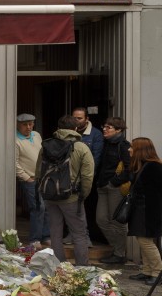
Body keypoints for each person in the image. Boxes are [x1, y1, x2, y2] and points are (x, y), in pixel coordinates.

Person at [35, 115, 95, 266]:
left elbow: (38, 172)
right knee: (79, 233)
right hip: (72, 197)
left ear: (58, 128)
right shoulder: (81, 147)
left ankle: (59, 266)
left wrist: (43, 190)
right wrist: (83, 195)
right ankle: (82, 267)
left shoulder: (46, 146)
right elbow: (88, 176)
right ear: (75, 129)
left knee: (55, 232)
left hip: (50, 196)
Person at [126, 137, 162, 285]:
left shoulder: (154, 167)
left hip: (149, 211)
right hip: (142, 210)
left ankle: (158, 272)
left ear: (140, 150)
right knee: (143, 240)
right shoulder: (143, 166)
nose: (129, 149)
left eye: (132, 147)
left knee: (145, 241)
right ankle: (147, 271)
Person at [96, 117, 132, 264]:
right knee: (101, 220)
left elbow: (129, 169)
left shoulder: (124, 146)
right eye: (104, 126)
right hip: (102, 187)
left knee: (117, 222)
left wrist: (113, 183)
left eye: (109, 127)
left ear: (119, 130)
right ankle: (118, 248)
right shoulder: (105, 143)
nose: (105, 129)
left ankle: (119, 254)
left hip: (115, 188)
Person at [67, 107, 104, 247]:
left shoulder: (95, 134)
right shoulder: (70, 132)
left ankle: (85, 237)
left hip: (85, 178)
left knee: (84, 209)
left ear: (87, 119)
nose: (76, 120)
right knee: (70, 208)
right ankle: (72, 234)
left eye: (79, 118)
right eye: (74, 117)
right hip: (70, 178)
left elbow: (96, 158)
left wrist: (85, 177)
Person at [15, 113, 50, 247]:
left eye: (31, 124)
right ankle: (34, 239)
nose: (28, 127)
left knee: (46, 207)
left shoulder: (36, 135)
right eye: (25, 124)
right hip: (30, 179)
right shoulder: (15, 140)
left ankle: (46, 236)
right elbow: (14, 162)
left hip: (43, 177)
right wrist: (26, 177)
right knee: (37, 207)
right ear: (18, 125)